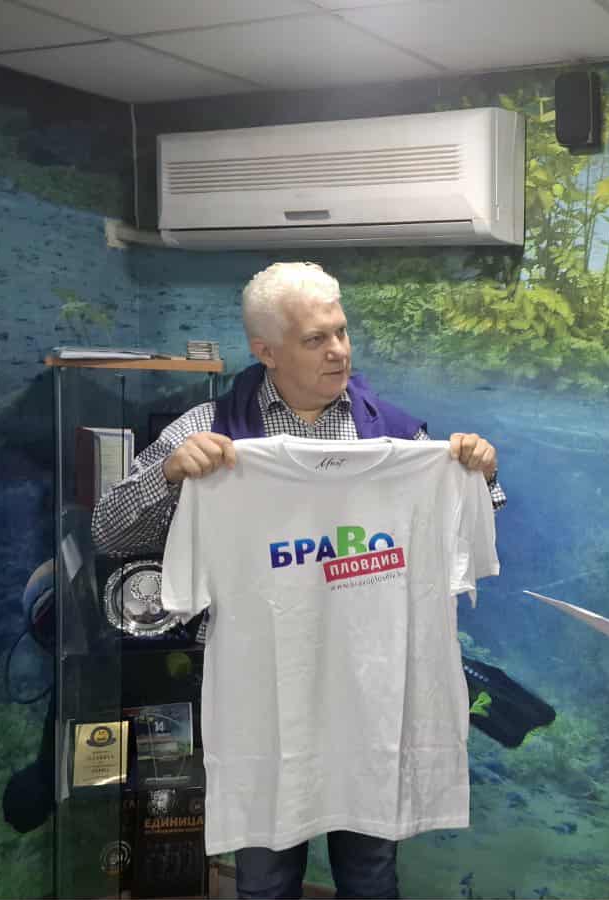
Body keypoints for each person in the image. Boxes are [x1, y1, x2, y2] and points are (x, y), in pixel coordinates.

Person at [92, 261, 502, 900]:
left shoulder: (396, 436)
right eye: (315, 339)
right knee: (264, 882)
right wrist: (170, 475)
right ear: (266, 351)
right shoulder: (207, 432)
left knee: (371, 878)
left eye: (341, 331)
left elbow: (470, 522)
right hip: (265, 709)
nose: (339, 351)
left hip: (370, 702)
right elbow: (108, 531)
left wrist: (480, 473)